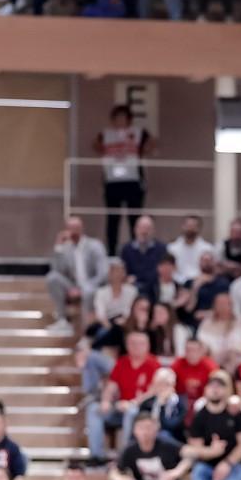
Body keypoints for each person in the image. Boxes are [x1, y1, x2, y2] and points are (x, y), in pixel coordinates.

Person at [88, 330, 159, 463]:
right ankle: (96, 456)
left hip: (141, 410)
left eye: (141, 344)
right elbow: (111, 386)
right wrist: (106, 401)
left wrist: (133, 403)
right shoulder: (122, 362)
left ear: (148, 345)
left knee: (131, 412)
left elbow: (153, 392)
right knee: (94, 409)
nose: (137, 347)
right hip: (120, 407)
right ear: (127, 345)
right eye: (133, 343)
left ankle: (125, 455)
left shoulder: (153, 364)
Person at [96, 105, 155, 255]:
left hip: (133, 180)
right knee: (112, 219)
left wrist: (141, 151)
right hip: (112, 181)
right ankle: (111, 252)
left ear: (129, 119)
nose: (120, 121)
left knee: (134, 218)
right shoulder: (106, 134)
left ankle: (135, 249)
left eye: (123, 118)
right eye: (117, 118)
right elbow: (95, 145)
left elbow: (152, 144)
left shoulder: (138, 132)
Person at [46, 216, 109, 331]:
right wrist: (58, 246)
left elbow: (103, 273)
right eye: (71, 228)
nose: (74, 231)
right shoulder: (65, 248)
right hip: (73, 285)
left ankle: (86, 330)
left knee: (87, 291)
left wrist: (85, 287)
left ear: (82, 228)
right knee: (52, 278)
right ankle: (62, 320)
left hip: (92, 285)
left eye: (76, 228)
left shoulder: (95, 245)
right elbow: (56, 270)